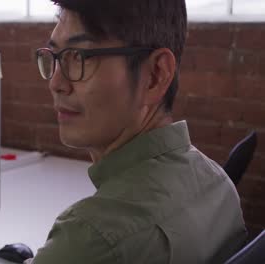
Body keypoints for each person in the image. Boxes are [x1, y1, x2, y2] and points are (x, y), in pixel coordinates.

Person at [26, 0, 247, 263]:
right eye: (55, 57)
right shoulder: (218, 182)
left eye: (79, 57)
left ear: (155, 75)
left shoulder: (91, 238)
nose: (56, 83)